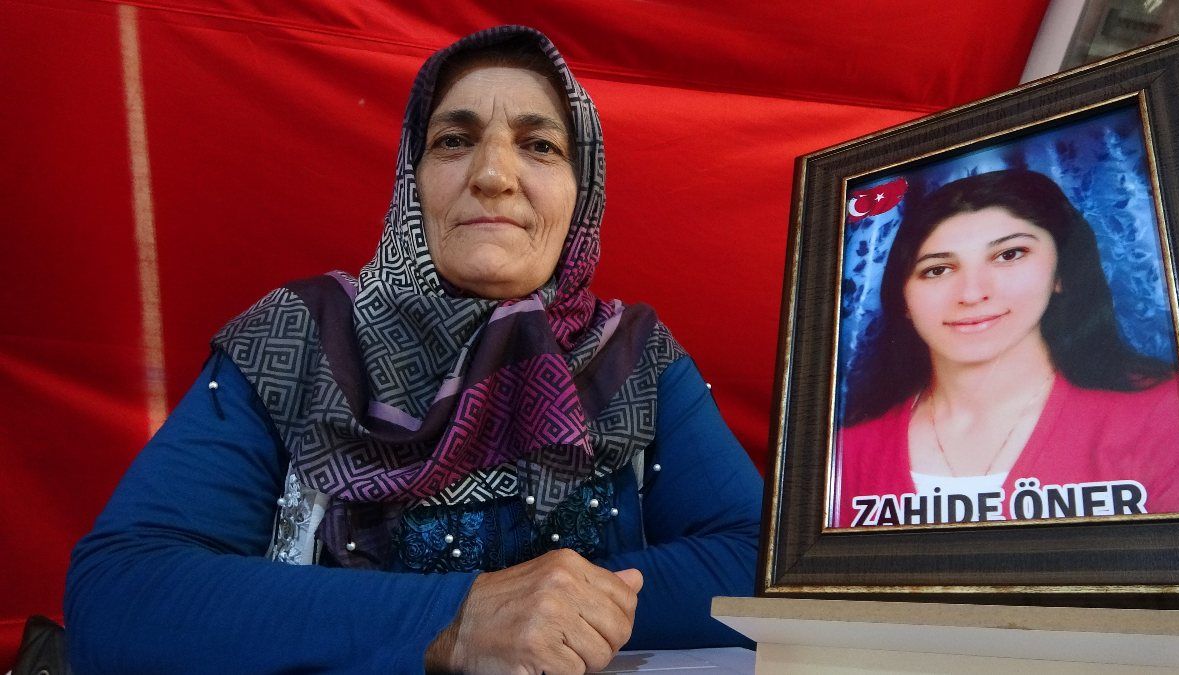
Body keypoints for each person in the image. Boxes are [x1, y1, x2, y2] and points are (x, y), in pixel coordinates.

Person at [64, 26, 762, 673]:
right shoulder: (300, 339)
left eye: (540, 146)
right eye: (454, 140)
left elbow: (763, 566)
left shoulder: (632, 360)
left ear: (583, 194)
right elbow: (121, 593)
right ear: (411, 180)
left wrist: (557, 612)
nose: (494, 174)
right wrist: (457, 618)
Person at [835, 169, 1179, 529]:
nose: (972, 294)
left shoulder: (1169, 413)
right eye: (938, 270)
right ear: (903, 298)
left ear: (1061, 272)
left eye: (1009, 255)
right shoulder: (847, 451)